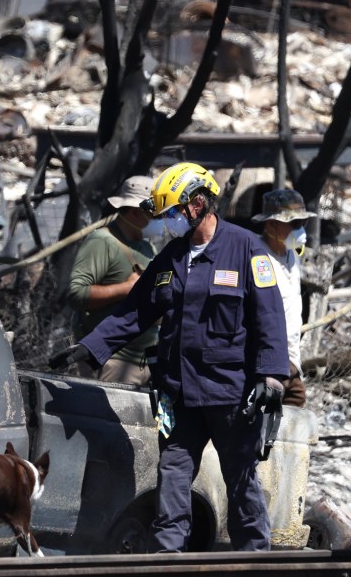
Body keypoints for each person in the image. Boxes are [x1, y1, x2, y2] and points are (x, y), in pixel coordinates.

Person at [50, 162, 290, 552]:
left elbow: (269, 316)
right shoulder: (171, 258)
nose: (167, 223)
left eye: (172, 214)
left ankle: (253, 557)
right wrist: (90, 347)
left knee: (241, 481)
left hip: (231, 396)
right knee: (173, 478)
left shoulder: (245, 248)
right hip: (179, 395)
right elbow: (135, 312)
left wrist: (272, 377)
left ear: (198, 204)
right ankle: (167, 558)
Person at [67, 175, 164, 385]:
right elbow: (76, 294)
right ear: (135, 212)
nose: (160, 220)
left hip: (146, 359)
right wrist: (127, 288)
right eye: (154, 214)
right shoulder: (102, 241)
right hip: (113, 360)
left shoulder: (148, 248)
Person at [252, 188, 314, 407]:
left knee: (296, 417)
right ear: (271, 225)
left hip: (291, 362)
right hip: (269, 364)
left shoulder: (291, 255)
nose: (299, 230)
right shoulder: (257, 259)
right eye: (293, 224)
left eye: (302, 224)